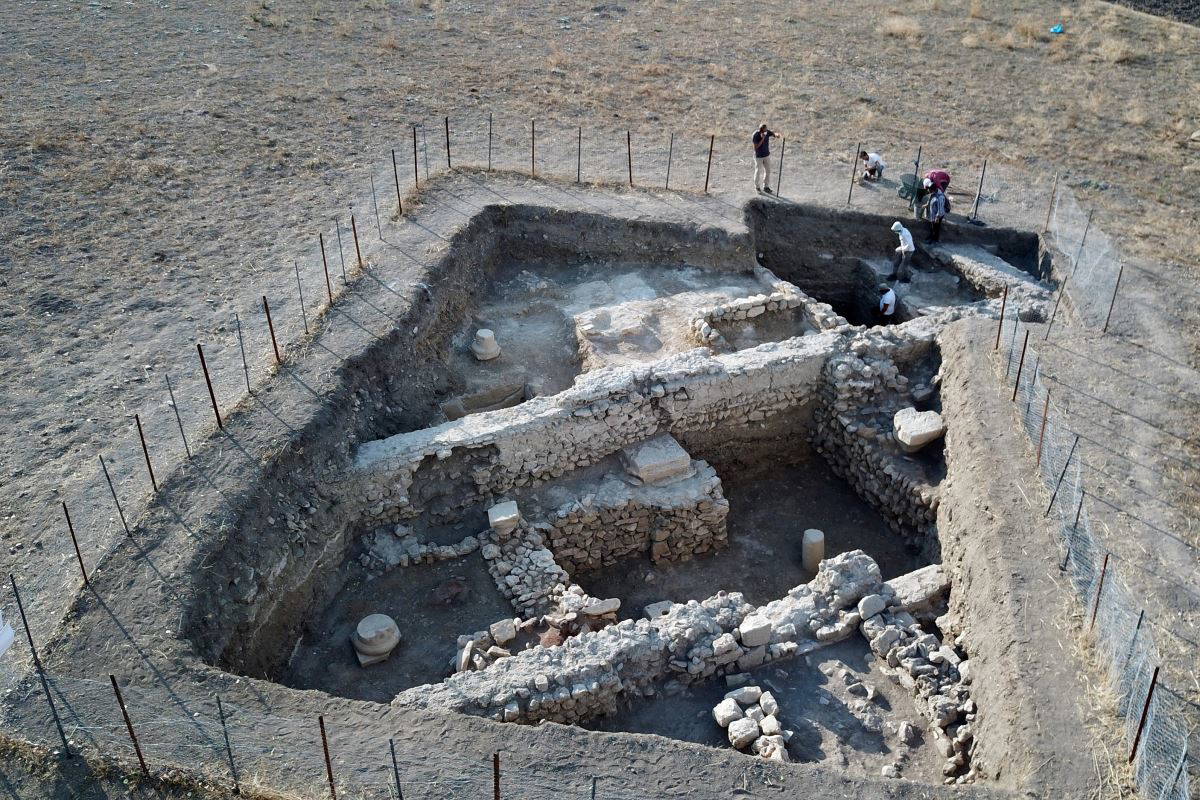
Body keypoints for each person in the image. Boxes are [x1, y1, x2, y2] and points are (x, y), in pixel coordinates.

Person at [752, 124, 777, 194]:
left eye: (766, 129)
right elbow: (755, 147)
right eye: (765, 129)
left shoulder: (767, 132)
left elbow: (774, 134)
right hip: (758, 156)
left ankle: (766, 187)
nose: (766, 130)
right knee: (758, 171)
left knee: (768, 170)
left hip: (766, 155)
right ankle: (757, 187)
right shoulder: (755, 135)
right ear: (761, 130)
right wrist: (762, 138)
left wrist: (778, 135)